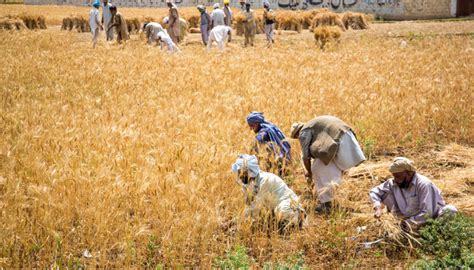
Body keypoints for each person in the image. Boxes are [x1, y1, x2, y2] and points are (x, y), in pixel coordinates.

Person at [290, 115, 366, 214]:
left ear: (297, 134)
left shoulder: (304, 132)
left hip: (339, 139)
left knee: (317, 169)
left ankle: (326, 204)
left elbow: (306, 156)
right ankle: (330, 200)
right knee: (329, 168)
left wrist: (309, 172)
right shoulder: (314, 125)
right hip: (347, 136)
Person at [370, 157, 458, 230]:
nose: (395, 179)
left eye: (398, 176)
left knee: (450, 210)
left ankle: (436, 236)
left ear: (409, 173)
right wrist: (378, 207)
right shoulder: (394, 182)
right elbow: (374, 192)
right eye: (394, 176)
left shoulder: (424, 184)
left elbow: (427, 213)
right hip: (407, 223)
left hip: (430, 221)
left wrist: (406, 224)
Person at [231, 154, 306, 232]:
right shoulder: (248, 183)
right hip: (275, 208)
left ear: (249, 172)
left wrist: (238, 220)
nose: (240, 176)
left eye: (242, 172)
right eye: (239, 172)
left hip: (290, 206)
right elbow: (248, 204)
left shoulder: (265, 180)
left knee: (282, 212)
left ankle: (295, 225)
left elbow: (256, 205)